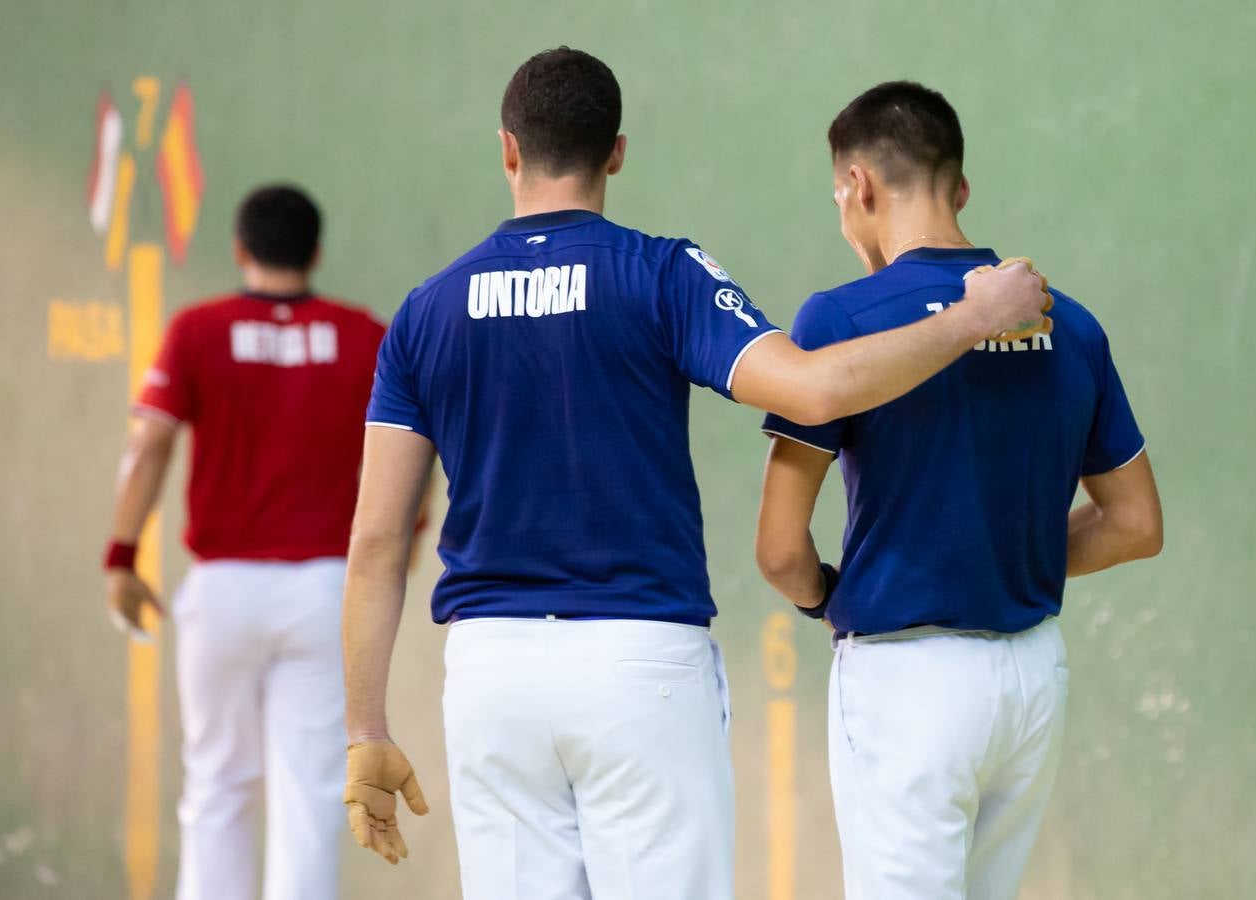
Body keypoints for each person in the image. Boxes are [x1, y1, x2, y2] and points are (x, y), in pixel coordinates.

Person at [339, 49, 1049, 900]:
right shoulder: (663, 274)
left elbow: (377, 542)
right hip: (637, 665)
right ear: (616, 153)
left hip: (491, 676)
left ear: (507, 150)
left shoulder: (426, 311)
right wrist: (971, 318)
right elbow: (816, 389)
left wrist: (364, 727)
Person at [754, 81, 1164, 900]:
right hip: (1032, 685)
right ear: (962, 189)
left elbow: (778, 549)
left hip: (907, 682)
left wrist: (825, 597)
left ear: (856, 187)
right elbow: (1135, 523)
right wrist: (1017, 557)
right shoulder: (1069, 324)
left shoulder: (840, 320)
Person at [101, 185, 393, 900]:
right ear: (316, 252)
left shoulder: (199, 330)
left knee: (216, 785)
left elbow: (149, 447)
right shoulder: (364, 335)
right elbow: (409, 454)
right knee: (311, 791)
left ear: (239, 250)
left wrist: (121, 553)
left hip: (224, 590)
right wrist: (404, 542)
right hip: (327, 592)